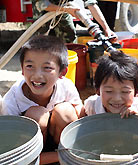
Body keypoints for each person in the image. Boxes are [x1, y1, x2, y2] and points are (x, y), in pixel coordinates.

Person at [1, 35, 83, 164]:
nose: (37, 75)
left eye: (47, 68)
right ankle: (54, 158)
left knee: (65, 111)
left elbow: (80, 113)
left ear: (62, 72)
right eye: (29, 66)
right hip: (31, 151)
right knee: (37, 114)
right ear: (22, 69)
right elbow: (12, 144)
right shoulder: (13, 99)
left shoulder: (66, 86)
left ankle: (65, 152)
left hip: (60, 142)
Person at [79, 51, 138, 118]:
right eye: (109, 91)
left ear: (137, 91)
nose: (117, 98)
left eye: (125, 91)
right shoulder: (92, 105)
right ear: (97, 89)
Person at [32, 0, 116, 43]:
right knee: (42, 44)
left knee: (69, 37)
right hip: (43, 12)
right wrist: (66, 9)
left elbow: (92, 4)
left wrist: (106, 29)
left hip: (63, 8)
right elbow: (42, 5)